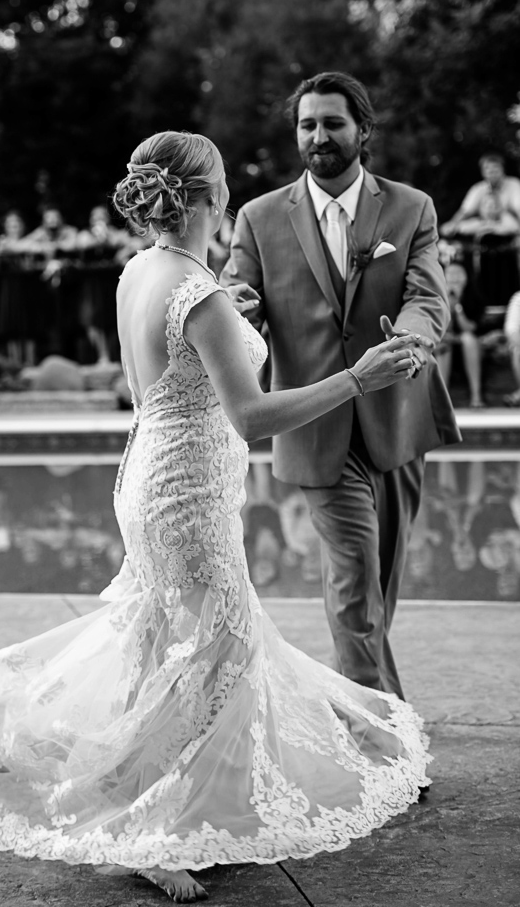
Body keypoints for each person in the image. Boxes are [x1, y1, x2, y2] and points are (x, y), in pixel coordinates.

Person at [0, 131, 431, 904]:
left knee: (169, 643)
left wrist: (227, 314)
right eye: (223, 182)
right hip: (186, 495)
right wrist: (359, 376)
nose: (229, 192)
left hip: (149, 475)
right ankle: (149, 826)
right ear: (208, 197)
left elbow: (155, 370)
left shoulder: (144, 273)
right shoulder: (201, 293)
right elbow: (249, 418)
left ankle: (153, 791)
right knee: (211, 652)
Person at [220, 70, 461, 700]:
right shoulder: (259, 217)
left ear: (362, 130)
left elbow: (427, 298)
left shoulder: (411, 208)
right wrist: (236, 306)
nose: (318, 136)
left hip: (399, 415)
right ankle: (385, 733)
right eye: (307, 124)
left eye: (332, 123)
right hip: (316, 420)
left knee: (379, 585)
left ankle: (362, 708)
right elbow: (233, 292)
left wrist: (407, 343)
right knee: (355, 582)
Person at [440, 153, 520, 305]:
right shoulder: (479, 189)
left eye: (495, 169)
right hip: (485, 237)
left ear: (502, 169)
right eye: (488, 169)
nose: (492, 173)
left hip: (511, 233)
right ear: (483, 172)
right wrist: (452, 226)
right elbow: (465, 212)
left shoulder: (514, 185)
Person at [0, 211, 51, 367]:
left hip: (28, 287)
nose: (14, 227)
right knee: (11, 325)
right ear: (5, 227)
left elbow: (43, 251)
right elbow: (2, 253)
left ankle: (30, 363)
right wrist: (27, 245)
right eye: (10, 224)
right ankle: (14, 364)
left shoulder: (30, 242)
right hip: (9, 288)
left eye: (17, 224)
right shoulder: (2, 243)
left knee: (29, 325)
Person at [435, 261, 486, 408]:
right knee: (443, 344)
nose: (454, 277)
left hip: (468, 341)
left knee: (468, 339)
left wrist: (457, 307)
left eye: (459, 273)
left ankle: (476, 397)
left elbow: (469, 328)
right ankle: (442, 399)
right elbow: (441, 327)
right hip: (444, 340)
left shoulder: (475, 296)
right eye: (450, 274)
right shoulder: (436, 296)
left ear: (467, 277)